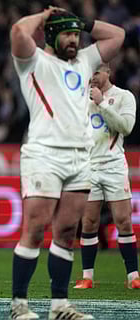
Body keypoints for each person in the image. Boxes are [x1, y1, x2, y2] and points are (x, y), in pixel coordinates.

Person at [10, 6, 124, 320]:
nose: (74, 39)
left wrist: (81, 22)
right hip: (44, 155)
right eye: (67, 33)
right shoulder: (33, 61)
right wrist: (45, 16)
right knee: (35, 228)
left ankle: (59, 307)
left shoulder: (85, 61)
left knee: (66, 232)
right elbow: (18, 32)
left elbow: (118, 35)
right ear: (50, 34)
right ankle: (19, 305)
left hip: (80, 157)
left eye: (76, 34)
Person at [74, 64, 139, 290]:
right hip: (89, 167)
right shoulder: (81, 99)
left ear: (108, 71)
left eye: (97, 73)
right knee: (89, 222)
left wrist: (101, 102)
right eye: (89, 73)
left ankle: (133, 276)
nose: (92, 77)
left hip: (114, 166)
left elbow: (126, 127)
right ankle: (87, 277)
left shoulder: (124, 97)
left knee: (123, 221)